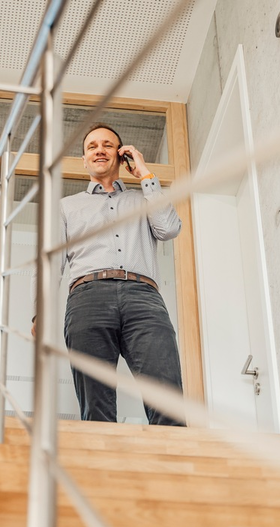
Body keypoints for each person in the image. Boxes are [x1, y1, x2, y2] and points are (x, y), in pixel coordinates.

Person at [33, 123, 184, 426]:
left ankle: (174, 468)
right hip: (88, 299)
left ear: (121, 154)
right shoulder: (66, 207)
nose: (100, 150)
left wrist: (145, 174)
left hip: (143, 298)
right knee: (95, 402)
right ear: (84, 160)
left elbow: (169, 229)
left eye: (108, 144)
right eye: (92, 146)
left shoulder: (144, 200)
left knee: (166, 395)